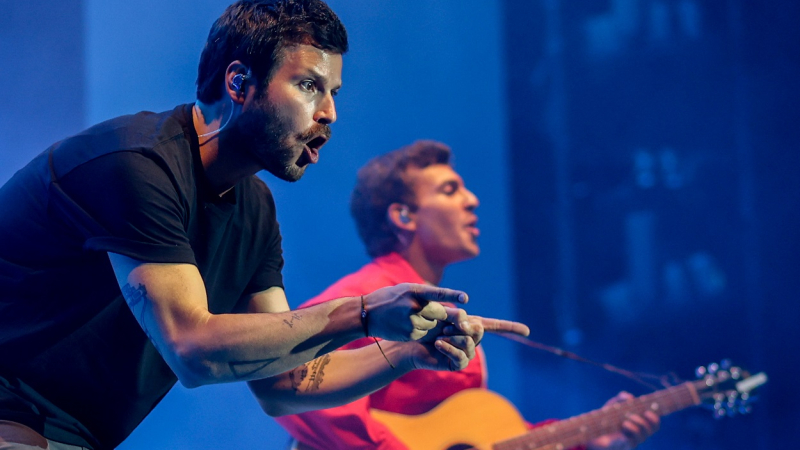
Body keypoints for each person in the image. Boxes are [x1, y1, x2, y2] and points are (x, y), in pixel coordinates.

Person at [0, 2, 528, 449]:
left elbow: (285, 384)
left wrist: (408, 353)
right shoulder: (138, 164)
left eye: (334, 93)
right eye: (308, 86)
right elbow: (193, 349)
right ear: (239, 83)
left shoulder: (254, 209)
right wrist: (363, 313)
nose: (329, 114)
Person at [273, 141, 662, 450]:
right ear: (403, 216)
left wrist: (588, 442)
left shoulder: (434, 307)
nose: (472, 200)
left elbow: (482, 434)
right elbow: (291, 383)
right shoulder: (365, 296)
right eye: (449, 190)